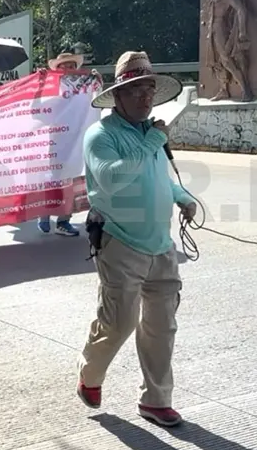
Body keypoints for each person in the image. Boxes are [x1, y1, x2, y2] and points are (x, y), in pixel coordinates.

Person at [76, 50, 196, 428]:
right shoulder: (101, 136)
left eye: (149, 90)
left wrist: (181, 197)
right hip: (120, 242)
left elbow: (156, 178)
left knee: (162, 326)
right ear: (119, 96)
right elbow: (112, 178)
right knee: (119, 323)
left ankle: (156, 400)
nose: (145, 98)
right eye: (136, 91)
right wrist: (153, 141)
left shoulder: (150, 135)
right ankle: (89, 374)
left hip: (161, 245)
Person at [37, 52, 86, 237]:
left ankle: (64, 221)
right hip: (54, 140)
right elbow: (36, 107)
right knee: (51, 178)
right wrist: (40, 83)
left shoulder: (84, 86)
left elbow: (92, 103)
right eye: (64, 66)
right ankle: (43, 214)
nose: (68, 69)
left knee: (71, 179)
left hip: (75, 140)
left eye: (72, 65)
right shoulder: (50, 85)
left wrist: (95, 81)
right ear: (57, 69)